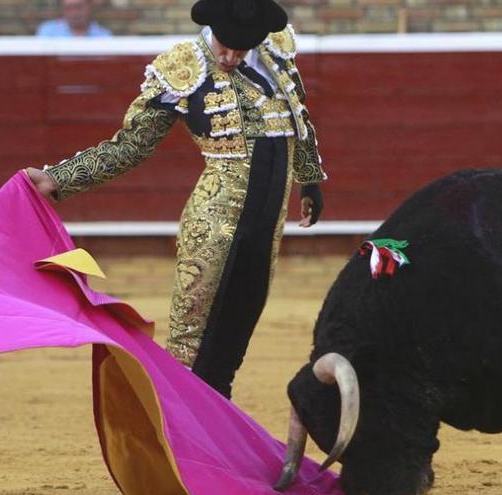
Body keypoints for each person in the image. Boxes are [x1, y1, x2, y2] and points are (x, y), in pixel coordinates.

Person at [26, 0, 326, 399]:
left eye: (241, 49)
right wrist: (57, 179)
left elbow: (297, 118)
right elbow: (131, 145)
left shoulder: (276, 53)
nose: (231, 57)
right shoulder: (183, 66)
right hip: (214, 222)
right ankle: (177, 431)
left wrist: (309, 180)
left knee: (235, 335)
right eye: (225, 46)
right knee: (191, 340)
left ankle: (214, 422)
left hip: (267, 224)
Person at [35, 0, 111, 37]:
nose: (74, 13)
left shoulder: (103, 35)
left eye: (78, 7)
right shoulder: (48, 32)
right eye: (68, 8)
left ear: (89, 6)